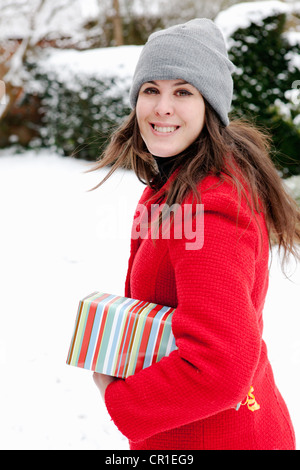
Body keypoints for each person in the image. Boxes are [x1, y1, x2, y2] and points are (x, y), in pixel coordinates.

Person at [91, 19, 300, 450]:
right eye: (151, 89)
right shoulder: (177, 184)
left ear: (211, 106)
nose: (162, 107)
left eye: (183, 91)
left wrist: (119, 397)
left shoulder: (210, 206)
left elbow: (220, 367)